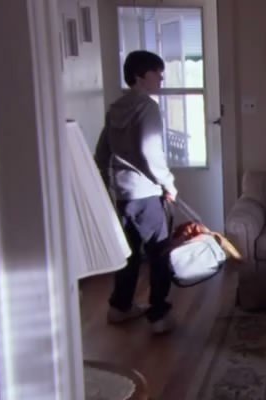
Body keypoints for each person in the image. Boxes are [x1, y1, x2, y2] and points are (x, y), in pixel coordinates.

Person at [95, 50, 177, 335]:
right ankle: (158, 315)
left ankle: (119, 307)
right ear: (140, 75)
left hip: (123, 194)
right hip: (146, 194)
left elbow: (101, 153)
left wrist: (107, 186)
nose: (161, 78)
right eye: (157, 72)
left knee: (128, 254)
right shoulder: (147, 107)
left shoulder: (115, 108)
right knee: (159, 254)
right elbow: (149, 151)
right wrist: (168, 184)